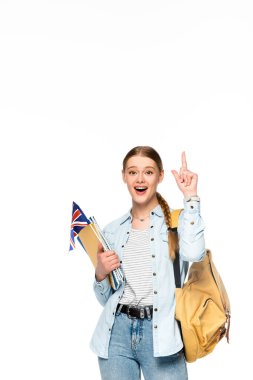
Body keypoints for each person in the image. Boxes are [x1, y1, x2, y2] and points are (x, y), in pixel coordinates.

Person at [89, 146, 206, 380]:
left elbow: (195, 254)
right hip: (116, 336)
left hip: (162, 334)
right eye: (133, 172)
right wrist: (100, 274)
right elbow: (105, 299)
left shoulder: (175, 222)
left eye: (148, 172)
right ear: (124, 176)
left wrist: (190, 197)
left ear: (160, 176)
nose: (140, 179)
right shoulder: (112, 231)